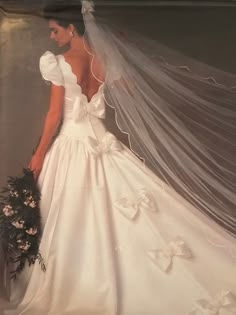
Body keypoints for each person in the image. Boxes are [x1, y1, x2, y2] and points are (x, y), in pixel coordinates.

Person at [2, 1, 236, 315]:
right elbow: (126, 90)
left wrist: (40, 154)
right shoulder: (105, 60)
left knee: (70, 215)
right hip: (103, 142)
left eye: (55, 30)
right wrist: (119, 48)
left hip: (71, 144)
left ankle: (87, 283)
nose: (53, 37)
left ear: (72, 28)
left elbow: (54, 115)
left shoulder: (58, 62)